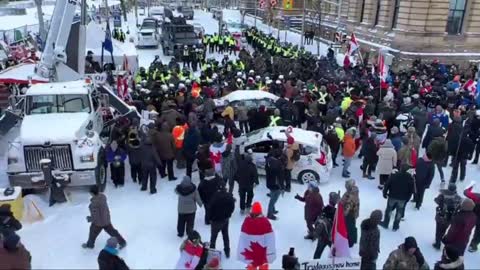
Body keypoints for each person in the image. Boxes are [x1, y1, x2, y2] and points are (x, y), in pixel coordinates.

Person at [237, 202, 276, 270]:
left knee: (251, 266)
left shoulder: (247, 221)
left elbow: (243, 238)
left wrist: (241, 251)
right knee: (263, 267)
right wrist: (270, 254)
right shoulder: (265, 222)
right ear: (260, 211)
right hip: (262, 253)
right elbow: (270, 239)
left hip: (250, 252)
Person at [381, 164, 415, 231]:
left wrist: (384, 193)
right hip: (403, 198)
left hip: (392, 196)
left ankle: (385, 224)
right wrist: (407, 198)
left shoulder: (394, 175)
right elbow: (411, 190)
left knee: (389, 210)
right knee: (399, 212)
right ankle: (395, 226)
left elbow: (387, 185)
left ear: (400, 168)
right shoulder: (410, 178)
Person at [208, 183, 235, 258]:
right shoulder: (229, 196)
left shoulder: (214, 197)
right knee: (225, 235)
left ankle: (212, 253)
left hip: (216, 221)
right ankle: (227, 251)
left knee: (213, 237)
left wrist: (210, 218)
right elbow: (232, 207)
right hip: (225, 220)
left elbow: (210, 209)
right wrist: (228, 214)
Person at [433, 183, 462, 250]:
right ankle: (441, 238)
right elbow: (459, 207)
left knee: (438, 230)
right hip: (450, 218)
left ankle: (437, 243)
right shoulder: (458, 197)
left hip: (441, 216)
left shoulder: (442, 195)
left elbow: (436, 201)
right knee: (444, 229)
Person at [313, 192, 339, 259]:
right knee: (336, 253)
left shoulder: (324, 209)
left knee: (317, 253)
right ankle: (337, 264)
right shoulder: (336, 212)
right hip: (330, 237)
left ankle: (314, 266)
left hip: (323, 235)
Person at [266, 148, 285, 220]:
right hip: (276, 185)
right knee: (273, 199)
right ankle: (270, 213)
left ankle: (272, 210)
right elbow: (280, 177)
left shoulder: (268, 161)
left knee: (272, 196)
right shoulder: (278, 164)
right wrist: (282, 187)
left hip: (269, 182)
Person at [341, 179, 360, 247]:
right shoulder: (355, 191)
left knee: (349, 229)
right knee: (353, 227)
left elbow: (347, 209)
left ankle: (350, 242)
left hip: (350, 214)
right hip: (354, 213)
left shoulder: (350, 196)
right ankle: (354, 239)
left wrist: (343, 213)